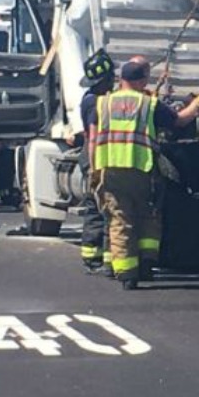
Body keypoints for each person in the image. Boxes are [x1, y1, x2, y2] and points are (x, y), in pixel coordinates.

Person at [89, 60, 199, 289]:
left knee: (121, 219)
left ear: (121, 79)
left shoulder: (102, 104)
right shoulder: (148, 104)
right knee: (147, 215)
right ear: (141, 80)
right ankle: (147, 263)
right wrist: (196, 104)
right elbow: (179, 121)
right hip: (142, 169)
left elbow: (93, 140)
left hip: (110, 169)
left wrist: (94, 169)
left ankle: (126, 275)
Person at [77, 49, 116, 273]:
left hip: (95, 155)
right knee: (101, 207)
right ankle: (100, 258)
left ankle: (95, 256)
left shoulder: (95, 98)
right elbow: (93, 138)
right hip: (96, 157)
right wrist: (94, 169)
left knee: (99, 206)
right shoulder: (94, 103)